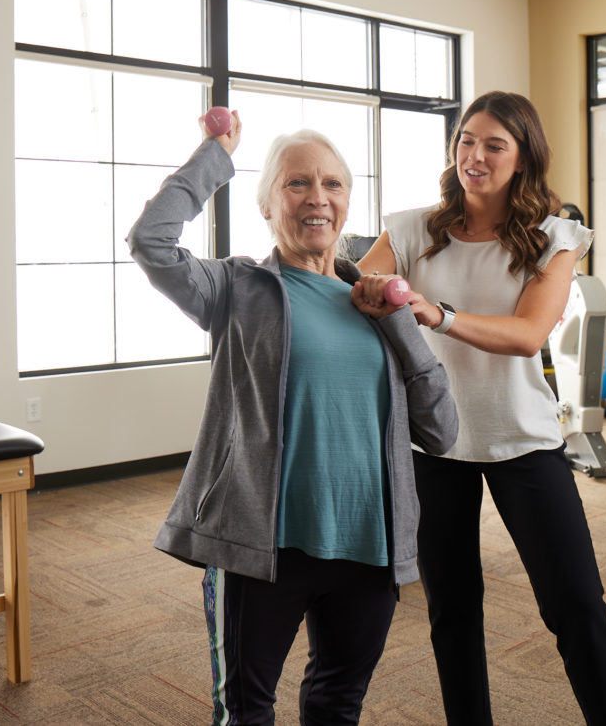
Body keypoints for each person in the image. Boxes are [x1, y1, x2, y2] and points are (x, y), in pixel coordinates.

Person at [127, 111, 459, 725]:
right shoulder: (235, 289)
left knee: (337, 703)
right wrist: (212, 155)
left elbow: (441, 432)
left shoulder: (377, 300)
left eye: (333, 184)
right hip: (264, 543)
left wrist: (403, 324)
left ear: (348, 203)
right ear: (267, 203)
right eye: (297, 183)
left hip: (368, 544)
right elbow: (151, 241)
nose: (318, 198)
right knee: (248, 711)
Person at [354, 90, 606, 725]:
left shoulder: (554, 237)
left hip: (524, 440)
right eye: (466, 140)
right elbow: (352, 296)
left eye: (493, 145)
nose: (474, 156)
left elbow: (527, 334)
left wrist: (438, 313)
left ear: (522, 158)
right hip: (434, 444)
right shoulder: (409, 230)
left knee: (577, 607)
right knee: (451, 612)